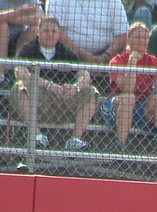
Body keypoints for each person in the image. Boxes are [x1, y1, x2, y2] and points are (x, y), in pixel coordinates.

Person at [12, 14, 96, 151]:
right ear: (38, 32)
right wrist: (47, 85)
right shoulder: (27, 49)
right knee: (20, 87)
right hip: (38, 101)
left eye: (54, 31)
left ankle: (75, 140)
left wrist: (75, 87)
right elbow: (19, 72)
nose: (50, 34)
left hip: (62, 100)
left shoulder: (66, 51)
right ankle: (37, 137)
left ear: (59, 34)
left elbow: (85, 74)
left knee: (92, 92)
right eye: (46, 30)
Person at [102, 20, 157, 149]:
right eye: (137, 37)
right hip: (116, 106)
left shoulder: (153, 61)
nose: (142, 41)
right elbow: (128, 89)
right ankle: (120, 145)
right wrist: (132, 61)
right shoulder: (117, 61)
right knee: (129, 97)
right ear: (128, 39)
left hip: (140, 107)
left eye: (145, 37)